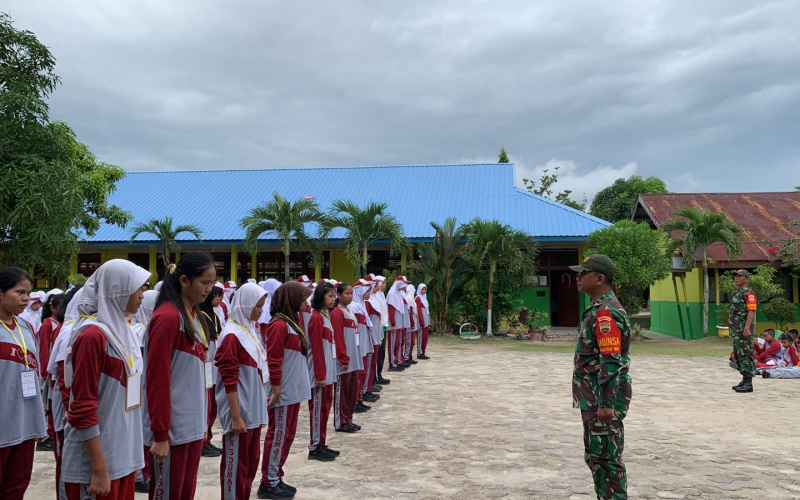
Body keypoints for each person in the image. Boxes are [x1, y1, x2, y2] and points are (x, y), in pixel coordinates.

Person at [61, 259, 150, 499]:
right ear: (117, 288)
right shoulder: (92, 335)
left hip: (121, 458)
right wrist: (99, 470)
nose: (143, 293)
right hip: (95, 466)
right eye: (138, 286)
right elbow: (83, 406)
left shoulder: (124, 332)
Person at [144, 252, 217, 500]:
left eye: (212, 283)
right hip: (173, 429)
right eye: (204, 283)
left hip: (192, 426)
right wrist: (161, 434)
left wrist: (204, 423)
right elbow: (157, 380)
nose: (209, 289)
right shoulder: (167, 317)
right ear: (184, 281)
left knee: (186, 491)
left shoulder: (194, 316)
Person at [569, 255, 632, 500]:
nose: (577, 277)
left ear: (599, 278)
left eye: (583, 273)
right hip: (593, 397)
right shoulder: (598, 309)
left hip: (602, 400)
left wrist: (606, 404)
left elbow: (612, 361)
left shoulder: (606, 314)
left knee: (606, 461)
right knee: (597, 458)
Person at [257, 281, 313, 500]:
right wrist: (277, 390)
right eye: (302, 297)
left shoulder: (292, 322)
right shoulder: (279, 325)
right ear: (291, 299)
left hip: (294, 389)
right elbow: (274, 358)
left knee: (287, 435)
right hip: (284, 390)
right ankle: (268, 482)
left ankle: (276, 475)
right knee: (278, 434)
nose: (305, 302)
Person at [214, 283, 268, 500]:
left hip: (252, 411)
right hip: (241, 414)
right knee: (235, 469)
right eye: (258, 306)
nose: (261, 311)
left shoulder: (249, 330)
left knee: (249, 467)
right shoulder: (232, 335)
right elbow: (229, 378)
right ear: (246, 305)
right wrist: (235, 416)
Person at [0, 267, 47, 499]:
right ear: (0, 293)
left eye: (27, 293)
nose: (26, 298)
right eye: (19, 292)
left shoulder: (25, 327)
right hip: (2, 421)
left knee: (17, 486)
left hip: (24, 423)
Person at [49, 285, 83, 500]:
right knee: (66, 457)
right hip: (68, 408)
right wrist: (72, 408)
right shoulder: (71, 331)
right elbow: (64, 377)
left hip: (73, 406)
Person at [305, 281, 339, 462]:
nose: (333, 299)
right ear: (320, 297)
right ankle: (314, 446)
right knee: (317, 409)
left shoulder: (326, 315)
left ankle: (321, 443)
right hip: (320, 372)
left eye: (334, 296)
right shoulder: (316, 317)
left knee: (325, 407)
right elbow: (316, 348)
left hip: (328, 369)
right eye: (330, 296)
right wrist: (320, 374)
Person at [331, 283, 363, 432]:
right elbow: (337, 336)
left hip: (354, 358)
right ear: (338, 295)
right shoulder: (337, 312)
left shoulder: (349, 311)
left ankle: (348, 418)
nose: (350, 296)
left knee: (352, 391)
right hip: (344, 360)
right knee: (342, 392)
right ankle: (340, 421)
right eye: (346, 293)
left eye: (351, 293)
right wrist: (343, 357)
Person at [199, 284, 225, 459]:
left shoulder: (214, 314)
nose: (220, 299)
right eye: (217, 296)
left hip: (214, 365)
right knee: (206, 405)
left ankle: (208, 438)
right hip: (206, 365)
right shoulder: (202, 315)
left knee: (212, 405)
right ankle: (202, 441)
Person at [729, 270, 757, 393]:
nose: (737, 278)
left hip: (743, 330)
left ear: (746, 279)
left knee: (745, 354)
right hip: (737, 331)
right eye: (736, 276)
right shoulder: (738, 293)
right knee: (739, 354)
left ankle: (749, 383)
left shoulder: (749, 294)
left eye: (740, 276)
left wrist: (746, 328)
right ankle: (744, 380)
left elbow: (751, 311)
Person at [385, 277, 409, 372]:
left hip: (399, 324)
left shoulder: (399, 294)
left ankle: (397, 361)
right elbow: (391, 311)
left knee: (398, 343)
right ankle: (392, 363)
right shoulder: (392, 295)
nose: (405, 286)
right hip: (394, 325)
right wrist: (393, 323)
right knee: (393, 344)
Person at [415, 284, 431, 360]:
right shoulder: (418, 299)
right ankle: (419, 353)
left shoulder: (425, 299)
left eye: (425, 289)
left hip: (426, 322)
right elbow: (418, 311)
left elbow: (427, 311)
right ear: (419, 289)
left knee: (425, 338)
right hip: (421, 322)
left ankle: (423, 352)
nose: (424, 291)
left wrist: (428, 322)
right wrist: (421, 321)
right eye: (422, 289)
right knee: (420, 337)